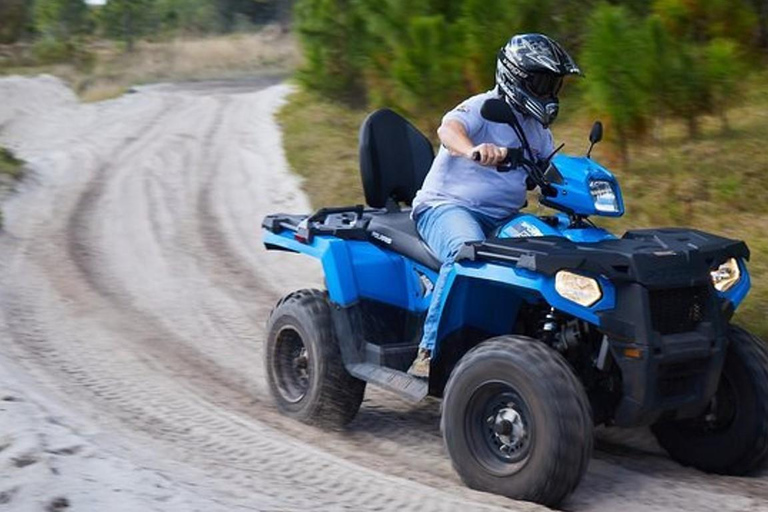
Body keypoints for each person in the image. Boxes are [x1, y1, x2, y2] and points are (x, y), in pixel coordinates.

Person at [407, 33, 581, 378]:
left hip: (503, 217)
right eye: (542, 83)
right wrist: (473, 149)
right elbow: (448, 129)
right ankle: (428, 352)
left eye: (554, 85)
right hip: (447, 207)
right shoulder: (482, 107)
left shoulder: (537, 131)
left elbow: (554, 174)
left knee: (553, 254)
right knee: (466, 250)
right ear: (517, 78)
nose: (549, 94)